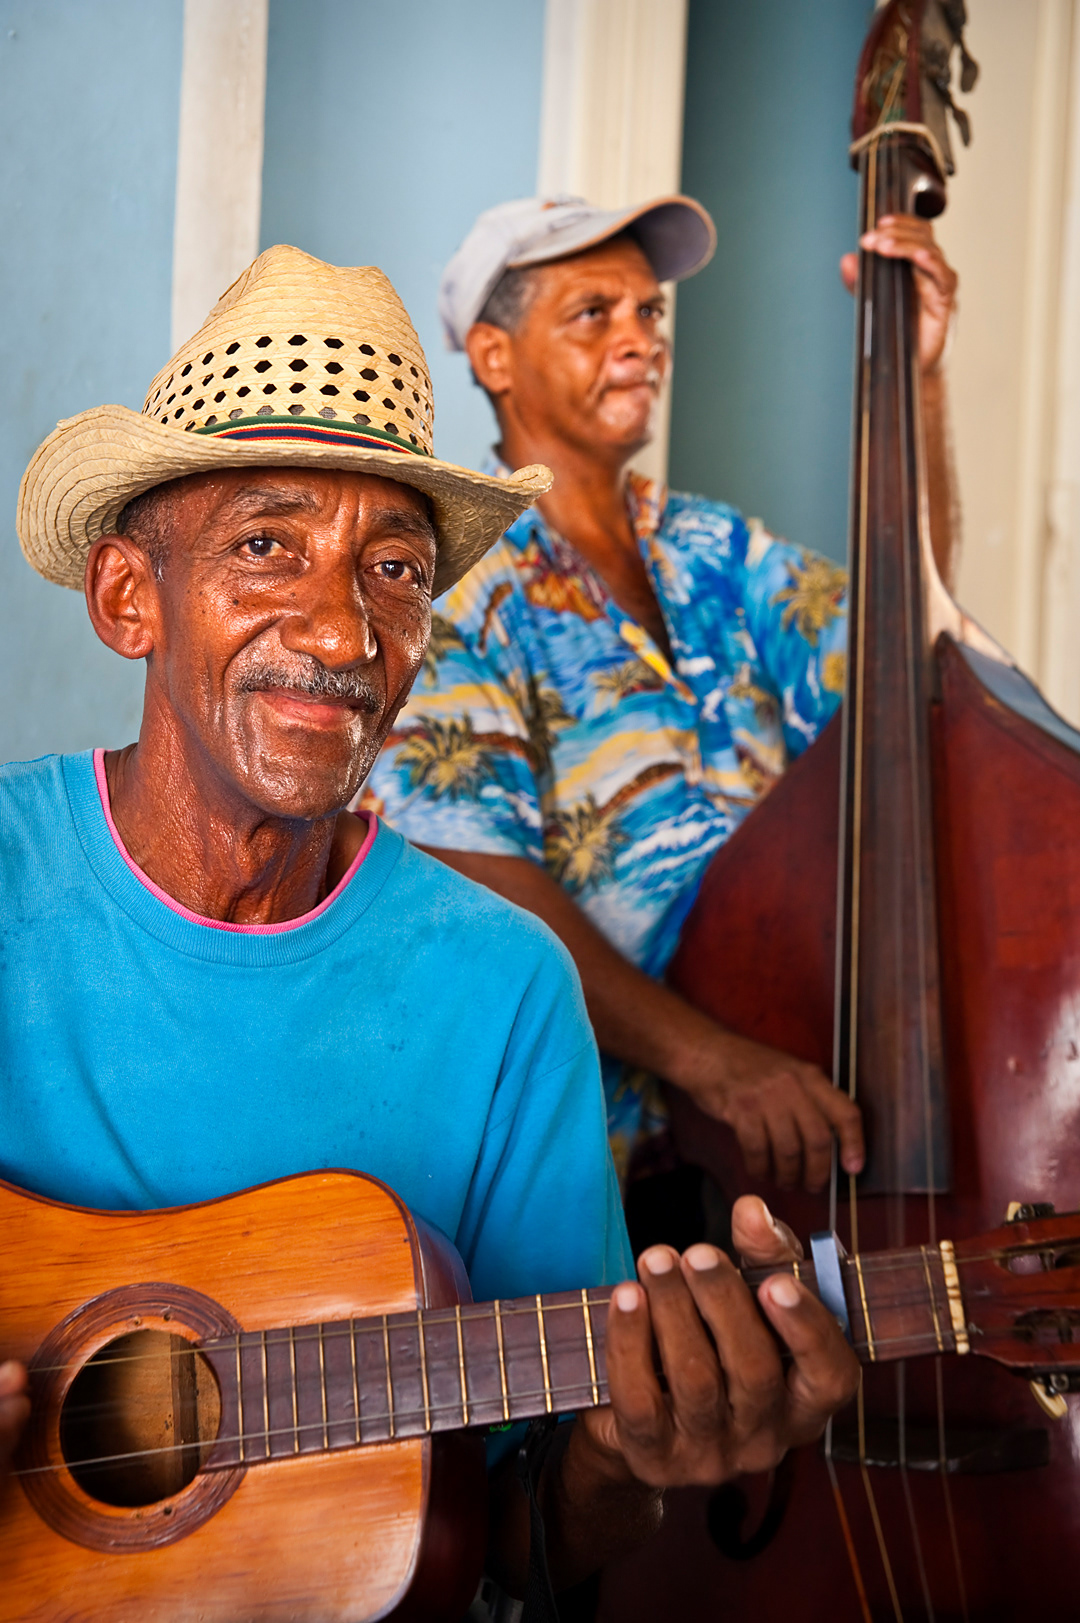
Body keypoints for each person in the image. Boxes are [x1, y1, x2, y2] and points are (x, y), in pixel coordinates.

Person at [0, 245, 858, 1602]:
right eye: (266, 543)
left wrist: (625, 1458)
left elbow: (513, 1539)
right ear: (127, 596)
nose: (342, 629)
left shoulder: (506, 988)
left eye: (394, 565)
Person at [364, 194, 960, 1210]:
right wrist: (717, 1063)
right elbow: (480, 879)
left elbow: (913, 651)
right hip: (620, 1159)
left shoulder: (712, 547)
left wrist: (920, 379)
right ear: (495, 358)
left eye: (650, 314)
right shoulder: (450, 579)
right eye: (593, 314)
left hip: (803, 1095)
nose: (640, 341)